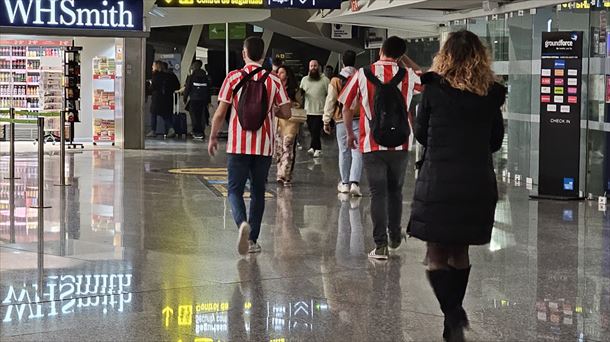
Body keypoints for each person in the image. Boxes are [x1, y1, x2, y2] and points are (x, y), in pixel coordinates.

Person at [407, 30, 505, 342]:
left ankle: (452, 313)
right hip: (476, 181)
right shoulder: (491, 94)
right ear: (480, 57)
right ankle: (454, 317)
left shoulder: (433, 90)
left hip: (439, 180)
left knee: (435, 253)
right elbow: (495, 142)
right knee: (459, 250)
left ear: (445, 56)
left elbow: (422, 134)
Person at [339, 36, 422, 260]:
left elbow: (346, 105)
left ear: (381, 51)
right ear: (400, 54)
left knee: (378, 194)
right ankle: (395, 235)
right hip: (401, 144)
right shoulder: (407, 75)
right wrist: (404, 59)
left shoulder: (362, 74)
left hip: (371, 143)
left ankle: (381, 246)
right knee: (395, 191)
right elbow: (424, 79)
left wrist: (349, 133)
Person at [208, 36, 292, 255]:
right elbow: (287, 112)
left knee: (234, 190)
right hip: (264, 146)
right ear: (263, 55)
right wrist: (273, 109)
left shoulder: (233, 77)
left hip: (238, 144)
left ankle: (241, 224)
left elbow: (220, 112)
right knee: (258, 191)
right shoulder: (273, 80)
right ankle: (253, 240)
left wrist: (213, 136)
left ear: (244, 53)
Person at [323, 50, 362, 197]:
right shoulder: (360, 77)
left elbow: (330, 101)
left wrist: (326, 120)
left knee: (344, 151)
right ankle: (355, 183)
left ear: (343, 62)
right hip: (358, 117)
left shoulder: (335, 80)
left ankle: (345, 183)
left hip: (340, 119)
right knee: (357, 151)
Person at [275, 65, 305, 186]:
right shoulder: (276, 88)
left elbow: (300, 104)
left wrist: (290, 103)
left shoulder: (295, 89)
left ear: (287, 75)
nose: (278, 75)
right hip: (278, 122)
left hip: (291, 122)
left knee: (288, 148)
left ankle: (285, 174)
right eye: (277, 72)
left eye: (281, 72)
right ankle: (279, 172)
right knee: (279, 150)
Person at [300, 59, 330, 158]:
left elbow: (329, 94)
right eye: (311, 66)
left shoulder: (325, 80)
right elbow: (300, 93)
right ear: (309, 68)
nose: (313, 68)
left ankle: (318, 149)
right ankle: (313, 147)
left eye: (315, 66)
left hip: (320, 111)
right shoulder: (304, 80)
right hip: (308, 110)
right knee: (311, 130)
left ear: (319, 67)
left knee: (316, 130)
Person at [147, 61, 180, 138]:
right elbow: (177, 86)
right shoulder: (171, 75)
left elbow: (152, 88)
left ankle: (153, 131)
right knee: (166, 115)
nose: (152, 67)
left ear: (157, 66)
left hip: (157, 99)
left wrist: (149, 86)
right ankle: (171, 129)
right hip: (168, 98)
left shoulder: (156, 75)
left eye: (153, 65)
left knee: (153, 114)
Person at [183, 60, 211, 140]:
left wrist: (185, 98)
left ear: (195, 66)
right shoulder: (206, 77)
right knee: (202, 116)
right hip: (203, 100)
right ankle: (201, 131)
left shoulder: (191, 77)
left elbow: (187, 88)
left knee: (194, 116)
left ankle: (196, 132)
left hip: (194, 99)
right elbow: (208, 90)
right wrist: (208, 101)